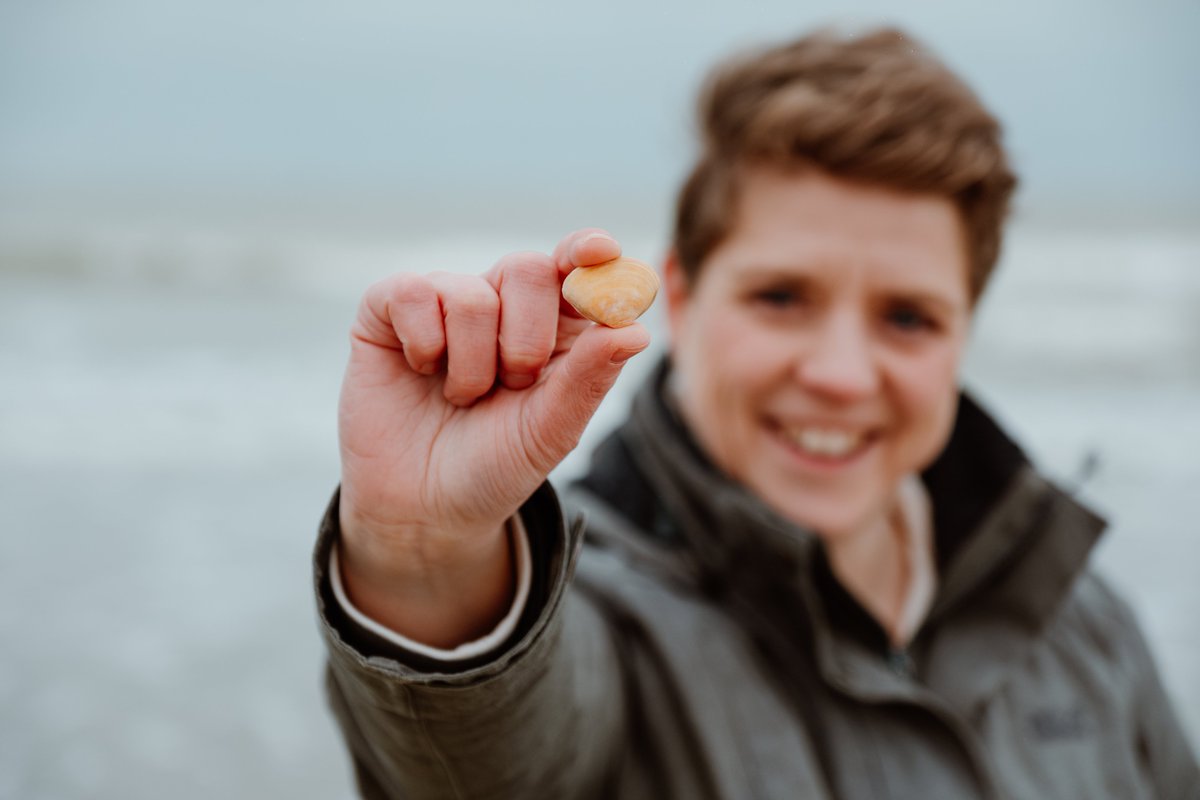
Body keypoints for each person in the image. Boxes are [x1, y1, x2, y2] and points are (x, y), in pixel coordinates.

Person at [313, 26, 1199, 799]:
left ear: (965, 332)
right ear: (686, 302)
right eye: (781, 297)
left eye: (908, 318)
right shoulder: (586, 610)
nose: (843, 375)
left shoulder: (1084, 623)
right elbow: (485, 772)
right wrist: (426, 556)